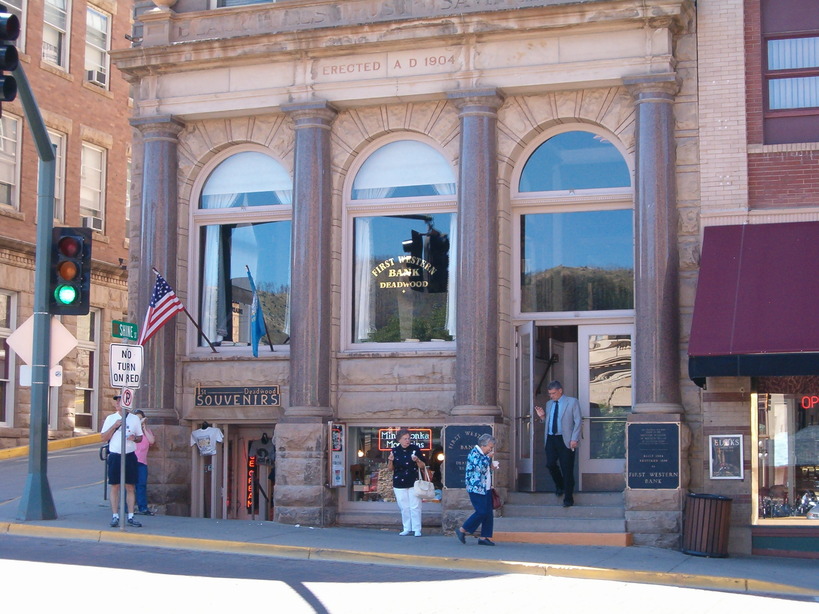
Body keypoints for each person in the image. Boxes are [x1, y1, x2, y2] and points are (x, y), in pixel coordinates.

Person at [535, 380, 583, 507]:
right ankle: (560, 485)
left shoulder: (572, 402)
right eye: (550, 394)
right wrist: (542, 417)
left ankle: (568, 497)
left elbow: (578, 421)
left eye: (554, 393)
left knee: (567, 468)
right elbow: (550, 422)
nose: (551, 396)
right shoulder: (549, 404)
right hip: (551, 438)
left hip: (565, 439)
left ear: (560, 391)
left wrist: (574, 439)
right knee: (550, 464)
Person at [100, 395, 144, 527]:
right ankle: (115, 515)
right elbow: (103, 437)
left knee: (130, 486)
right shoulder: (111, 418)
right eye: (117, 402)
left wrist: (134, 438)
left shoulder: (134, 419)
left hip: (129, 455)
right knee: (115, 486)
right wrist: (114, 426)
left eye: (121, 401)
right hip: (115, 455)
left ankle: (130, 515)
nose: (118, 403)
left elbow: (140, 438)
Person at [455, 433, 498, 546]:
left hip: (486, 488)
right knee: (481, 511)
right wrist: (488, 458)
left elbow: (484, 471)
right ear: (484, 445)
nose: (490, 449)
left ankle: (484, 537)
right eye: (490, 447)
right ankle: (462, 529)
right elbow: (478, 468)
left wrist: (491, 468)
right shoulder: (474, 453)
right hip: (476, 488)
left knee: (488, 513)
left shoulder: (483, 455)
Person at [387, 428, 427, 536]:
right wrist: (390, 460)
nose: (407, 441)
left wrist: (417, 460)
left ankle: (417, 529)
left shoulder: (415, 449)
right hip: (399, 482)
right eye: (405, 439)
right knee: (404, 507)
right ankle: (406, 527)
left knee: (415, 506)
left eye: (408, 438)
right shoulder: (395, 451)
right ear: (399, 440)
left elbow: (423, 466)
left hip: (413, 481)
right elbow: (390, 469)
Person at [133, 410, 156, 515]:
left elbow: (151, 441)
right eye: (137, 418)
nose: (139, 420)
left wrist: (144, 428)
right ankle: (127, 508)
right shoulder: (131, 430)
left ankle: (143, 507)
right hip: (131, 461)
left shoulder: (147, 430)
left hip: (142, 462)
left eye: (140, 418)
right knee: (129, 485)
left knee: (141, 484)